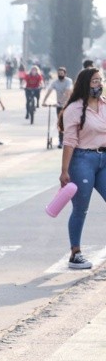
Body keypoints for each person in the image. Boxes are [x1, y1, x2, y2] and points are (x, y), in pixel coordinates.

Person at [59, 67, 106, 270]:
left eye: (101, 80)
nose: (99, 85)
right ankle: (75, 252)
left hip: (103, 158)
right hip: (82, 160)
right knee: (81, 208)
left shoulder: (104, 105)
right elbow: (69, 141)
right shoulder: (74, 109)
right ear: (86, 83)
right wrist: (64, 170)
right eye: (94, 81)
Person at [43, 66, 74, 149]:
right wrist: (44, 101)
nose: (60, 75)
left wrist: (62, 101)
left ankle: (70, 139)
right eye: (59, 74)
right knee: (60, 123)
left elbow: (67, 92)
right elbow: (49, 91)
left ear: (65, 74)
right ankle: (61, 140)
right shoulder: (55, 82)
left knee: (68, 123)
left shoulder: (68, 81)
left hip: (69, 105)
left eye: (62, 73)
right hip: (59, 105)